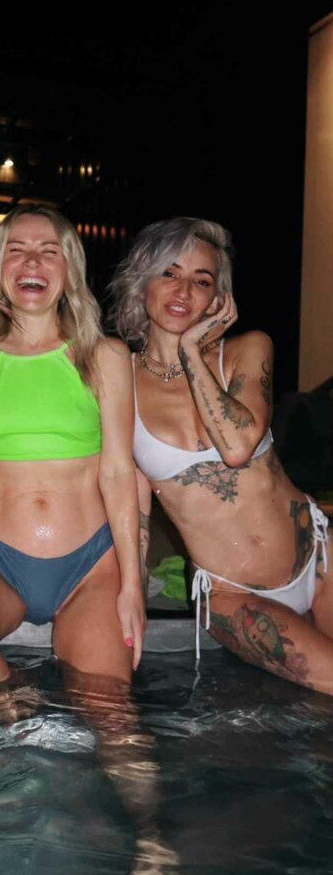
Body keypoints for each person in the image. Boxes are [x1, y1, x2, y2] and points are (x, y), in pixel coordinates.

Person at [0, 203, 145, 693]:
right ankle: (14, 693)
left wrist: (132, 584)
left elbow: (120, 474)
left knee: (112, 719)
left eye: (48, 252)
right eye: (16, 250)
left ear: (70, 269)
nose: (32, 262)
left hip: (91, 568)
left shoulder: (104, 356)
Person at [110, 217, 333, 693]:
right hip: (232, 597)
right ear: (141, 283)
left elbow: (237, 445)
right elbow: (134, 501)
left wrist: (191, 351)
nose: (183, 291)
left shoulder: (248, 350)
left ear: (218, 299)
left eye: (202, 281)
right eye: (169, 273)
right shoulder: (120, 380)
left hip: (319, 557)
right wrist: (132, 592)